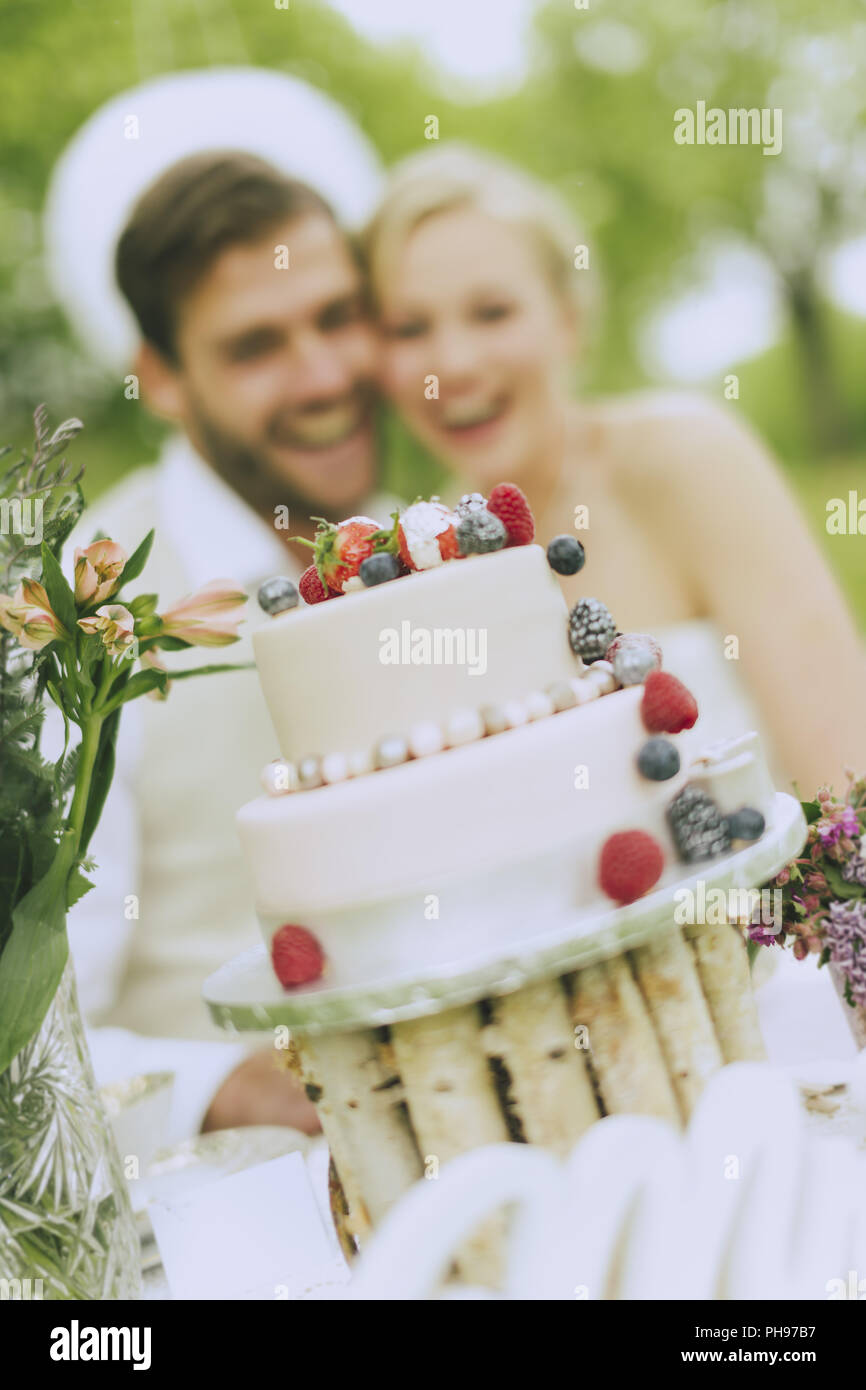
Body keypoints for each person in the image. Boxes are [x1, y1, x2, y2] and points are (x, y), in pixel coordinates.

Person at [47, 138, 397, 1140]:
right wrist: (225, 1090)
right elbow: (26, 1038)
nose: (324, 375)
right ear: (159, 376)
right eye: (256, 346)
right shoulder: (80, 619)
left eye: (337, 317)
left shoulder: (427, 548)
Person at [365, 144, 866, 795]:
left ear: (568, 323)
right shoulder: (422, 573)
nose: (453, 363)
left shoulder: (686, 459)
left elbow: (850, 792)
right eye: (408, 328)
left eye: (493, 313)